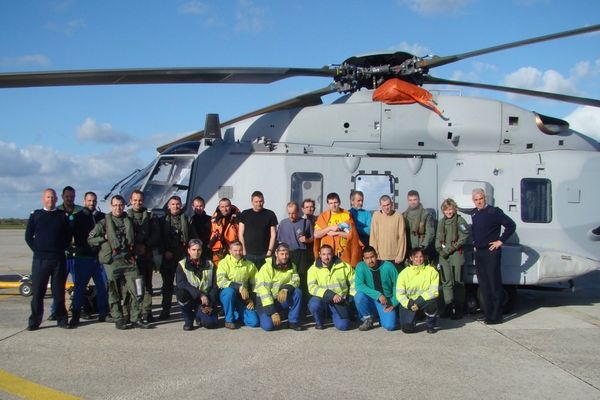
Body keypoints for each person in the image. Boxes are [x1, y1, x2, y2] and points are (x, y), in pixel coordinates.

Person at [88, 195, 149, 330]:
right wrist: (104, 238)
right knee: (113, 291)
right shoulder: (103, 223)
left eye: (120, 205)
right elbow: (91, 239)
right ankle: (119, 318)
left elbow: (140, 234)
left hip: (128, 260)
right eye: (115, 205)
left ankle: (135, 317)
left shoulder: (129, 221)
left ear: (124, 206)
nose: (118, 208)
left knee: (138, 288)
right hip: (112, 261)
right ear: (111, 206)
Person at [25, 188, 71, 330]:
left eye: (53, 197)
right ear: (43, 199)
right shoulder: (36, 215)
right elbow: (28, 236)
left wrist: (59, 249)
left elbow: (68, 236)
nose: (50, 200)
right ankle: (34, 321)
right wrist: (38, 249)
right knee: (38, 292)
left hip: (58, 259)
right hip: (40, 260)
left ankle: (62, 319)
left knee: (58, 292)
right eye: (48, 197)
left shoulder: (62, 215)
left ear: (57, 199)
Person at [469, 188, 516, 325]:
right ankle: (488, 314)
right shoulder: (474, 214)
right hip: (479, 253)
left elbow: (511, 225)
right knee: (483, 285)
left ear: (485, 198)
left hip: (491, 252)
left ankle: (497, 315)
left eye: (481, 198)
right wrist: (474, 243)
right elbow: (475, 230)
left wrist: (500, 241)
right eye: (476, 200)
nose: (479, 201)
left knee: (493, 284)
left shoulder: (494, 212)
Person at [68, 191, 110, 328]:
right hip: (83, 258)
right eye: (89, 201)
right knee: (80, 288)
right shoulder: (77, 217)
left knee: (103, 287)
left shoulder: (102, 217)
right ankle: (75, 315)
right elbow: (67, 235)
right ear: (85, 201)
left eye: (94, 201)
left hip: (98, 259)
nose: (92, 203)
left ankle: (104, 312)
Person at [48, 185, 83, 321]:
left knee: (79, 284)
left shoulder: (80, 212)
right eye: (67, 197)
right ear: (62, 197)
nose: (70, 199)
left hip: (77, 254)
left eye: (72, 197)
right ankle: (55, 310)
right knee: (58, 284)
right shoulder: (57, 212)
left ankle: (76, 309)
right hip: (62, 255)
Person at [126, 190, 159, 322]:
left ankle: (147, 312)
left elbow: (156, 234)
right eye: (135, 200)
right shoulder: (126, 216)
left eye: (139, 200)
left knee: (147, 286)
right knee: (131, 286)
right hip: (131, 257)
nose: (137, 202)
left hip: (146, 255)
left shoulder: (150, 217)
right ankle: (132, 312)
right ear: (130, 200)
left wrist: (145, 245)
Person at [254, 243, 304, 331]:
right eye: (282, 254)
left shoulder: (292, 266)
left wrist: (286, 289)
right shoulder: (266, 268)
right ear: (276, 253)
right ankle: (267, 314)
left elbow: (296, 281)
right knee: (268, 326)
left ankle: (293, 321)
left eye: (287, 254)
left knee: (297, 292)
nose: (284, 257)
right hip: (264, 302)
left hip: (279, 299)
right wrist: (272, 312)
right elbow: (263, 291)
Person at [435, 198, 469, 319]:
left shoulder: (460, 221)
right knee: (446, 282)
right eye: (446, 210)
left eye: (450, 209)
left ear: (454, 209)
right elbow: (438, 238)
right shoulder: (441, 222)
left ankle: (459, 309)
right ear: (443, 211)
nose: (448, 212)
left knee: (458, 283)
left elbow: (464, 236)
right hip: (444, 257)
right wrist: (439, 249)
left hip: (456, 255)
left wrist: (449, 249)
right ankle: (448, 307)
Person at [307, 245, 355, 330]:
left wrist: (351, 298)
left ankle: (339, 314)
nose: (326, 257)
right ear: (320, 255)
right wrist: (330, 295)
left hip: (339, 301)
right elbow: (312, 287)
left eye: (329, 254)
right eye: (324, 254)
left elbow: (354, 282)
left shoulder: (344, 266)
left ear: (333, 254)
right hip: (322, 299)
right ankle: (319, 322)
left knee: (343, 326)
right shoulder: (313, 269)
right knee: (314, 304)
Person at [157, 195, 190, 320]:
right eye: (173, 204)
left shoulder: (186, 219)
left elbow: (191, 236)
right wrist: (165, 251)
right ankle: (165, 310)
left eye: (177, 204)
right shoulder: (162, 221)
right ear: (168, 206)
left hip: (182, 257)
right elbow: (158, 238)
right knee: (167, 286)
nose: (175, 206)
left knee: (183, 285)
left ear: (181, 205)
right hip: (168, 257)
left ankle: (185, 310)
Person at [176, 239, 218, 331]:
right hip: (191, 297)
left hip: (206, 300)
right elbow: (181, 283)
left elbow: (215, 284)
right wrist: (200, 294)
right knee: (181, 293)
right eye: (193, 250)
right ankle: (188, 320)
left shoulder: (210, 264)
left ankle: (199, 316)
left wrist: (210, 301)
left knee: (211, 323)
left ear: (202, 250)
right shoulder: (181, 264)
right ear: (188, 250)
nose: (196, 252)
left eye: (199, 250)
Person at [396, 248, 440, 334]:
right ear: (411, 258)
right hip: (410, 303)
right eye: (416, 257)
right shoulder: (404, 273)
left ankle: (430, 325)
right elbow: (399, 294)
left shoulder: (432, 271)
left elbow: (434, 291)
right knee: (407, 329)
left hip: (424, 301)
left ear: (424, 257)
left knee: (432, 304)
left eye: (421, 257)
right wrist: (408, 303)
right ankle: (416, 317)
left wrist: (419, 301)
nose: (418, 259)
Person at [216, 241, 259, 328]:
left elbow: (256, 284)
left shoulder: (250, 265)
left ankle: (234, 313)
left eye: (240, 250)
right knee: (229, 292)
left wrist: (252, 299)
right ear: (230, 251)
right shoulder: (223, 263)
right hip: (227, 295)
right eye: (235, 250)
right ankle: (229, 320)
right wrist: (238, 287)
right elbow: (221, 281)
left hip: (242, 297)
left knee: (254, 322)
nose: (238, 253)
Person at [354, 246, 399, 331]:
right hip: (370, 300)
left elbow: (398, 285)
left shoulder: (388, 266)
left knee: (390, 326)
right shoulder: (360, 266)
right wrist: (378, 295)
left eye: (372, 257)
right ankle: (367, 319)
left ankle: (381, 316)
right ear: (363, 259)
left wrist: (393, 303)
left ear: (376, 256)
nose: (370, 260)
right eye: (367, 258)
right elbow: (359, 285)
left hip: (386, 301)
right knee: (359, 296)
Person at [313, 192, 361, 267]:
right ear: (328, 204)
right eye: (331, 203)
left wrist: (337, 233)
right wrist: (330, 228)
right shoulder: (323, 216)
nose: (334, 205)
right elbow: (316, 235)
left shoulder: (346, 215)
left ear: (339, 202)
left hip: (343, 252)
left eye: (335, 202)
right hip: (327, 254)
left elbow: (352, 235)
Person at [277, 201, 312, 302]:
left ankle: (303, 304)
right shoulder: (283, 223)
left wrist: (307, 240)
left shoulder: (306, 222)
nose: (291, 216)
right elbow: (279, 241)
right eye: (289, 213)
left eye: (293, 213)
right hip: (287, 255)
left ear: (298, 212)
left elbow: (313, 239)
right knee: (288, 278)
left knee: (301, 279)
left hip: (301, 254)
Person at [238, 191, 278, 269]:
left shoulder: (270, 214)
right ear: (252, 202)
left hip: (264, 253)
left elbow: (273, 235)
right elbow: (240, 234)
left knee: (263, 278)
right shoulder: (245, 214)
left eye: (261, 201)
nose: (259, 204)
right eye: (256, 202)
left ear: (264, 201)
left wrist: (269, 251)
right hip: (248, 253)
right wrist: (243, 250)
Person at [370, 195, 407, 270]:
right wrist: (373, 255)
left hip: (395, 258)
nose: (386, 207)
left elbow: (402, 237)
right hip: (380, 257)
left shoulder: (398, 216)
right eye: (384, 205)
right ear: (380, 206)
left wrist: (400, 255)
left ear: (392, 204)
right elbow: (373, 237)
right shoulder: (376, 216)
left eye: (388, 205)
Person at [208, 197, 241, 266]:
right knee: (217, 272)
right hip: (218, 250)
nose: (225, 209)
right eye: (222, 207)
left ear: (231, 206)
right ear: (219, 208)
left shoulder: (238, 219)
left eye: (227, 206)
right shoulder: (215, 219)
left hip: (233, 250)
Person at [403, 190, 434, 257]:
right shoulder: (404, 216)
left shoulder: (425, 214)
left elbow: (430, 233)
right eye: (410, 200)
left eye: (415, 199)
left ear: (419, 200)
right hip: (408, 250)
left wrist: (422, 247)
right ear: (408, 201)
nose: (412, 202)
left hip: (421, 250)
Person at [302, 198, 317, 266]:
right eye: (307, 207)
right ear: (303, 209)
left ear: (314, 208)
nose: (309, 209)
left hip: (316, 250)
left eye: (311, 207)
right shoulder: (299, 221)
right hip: (303, 252)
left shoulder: (319, 220)